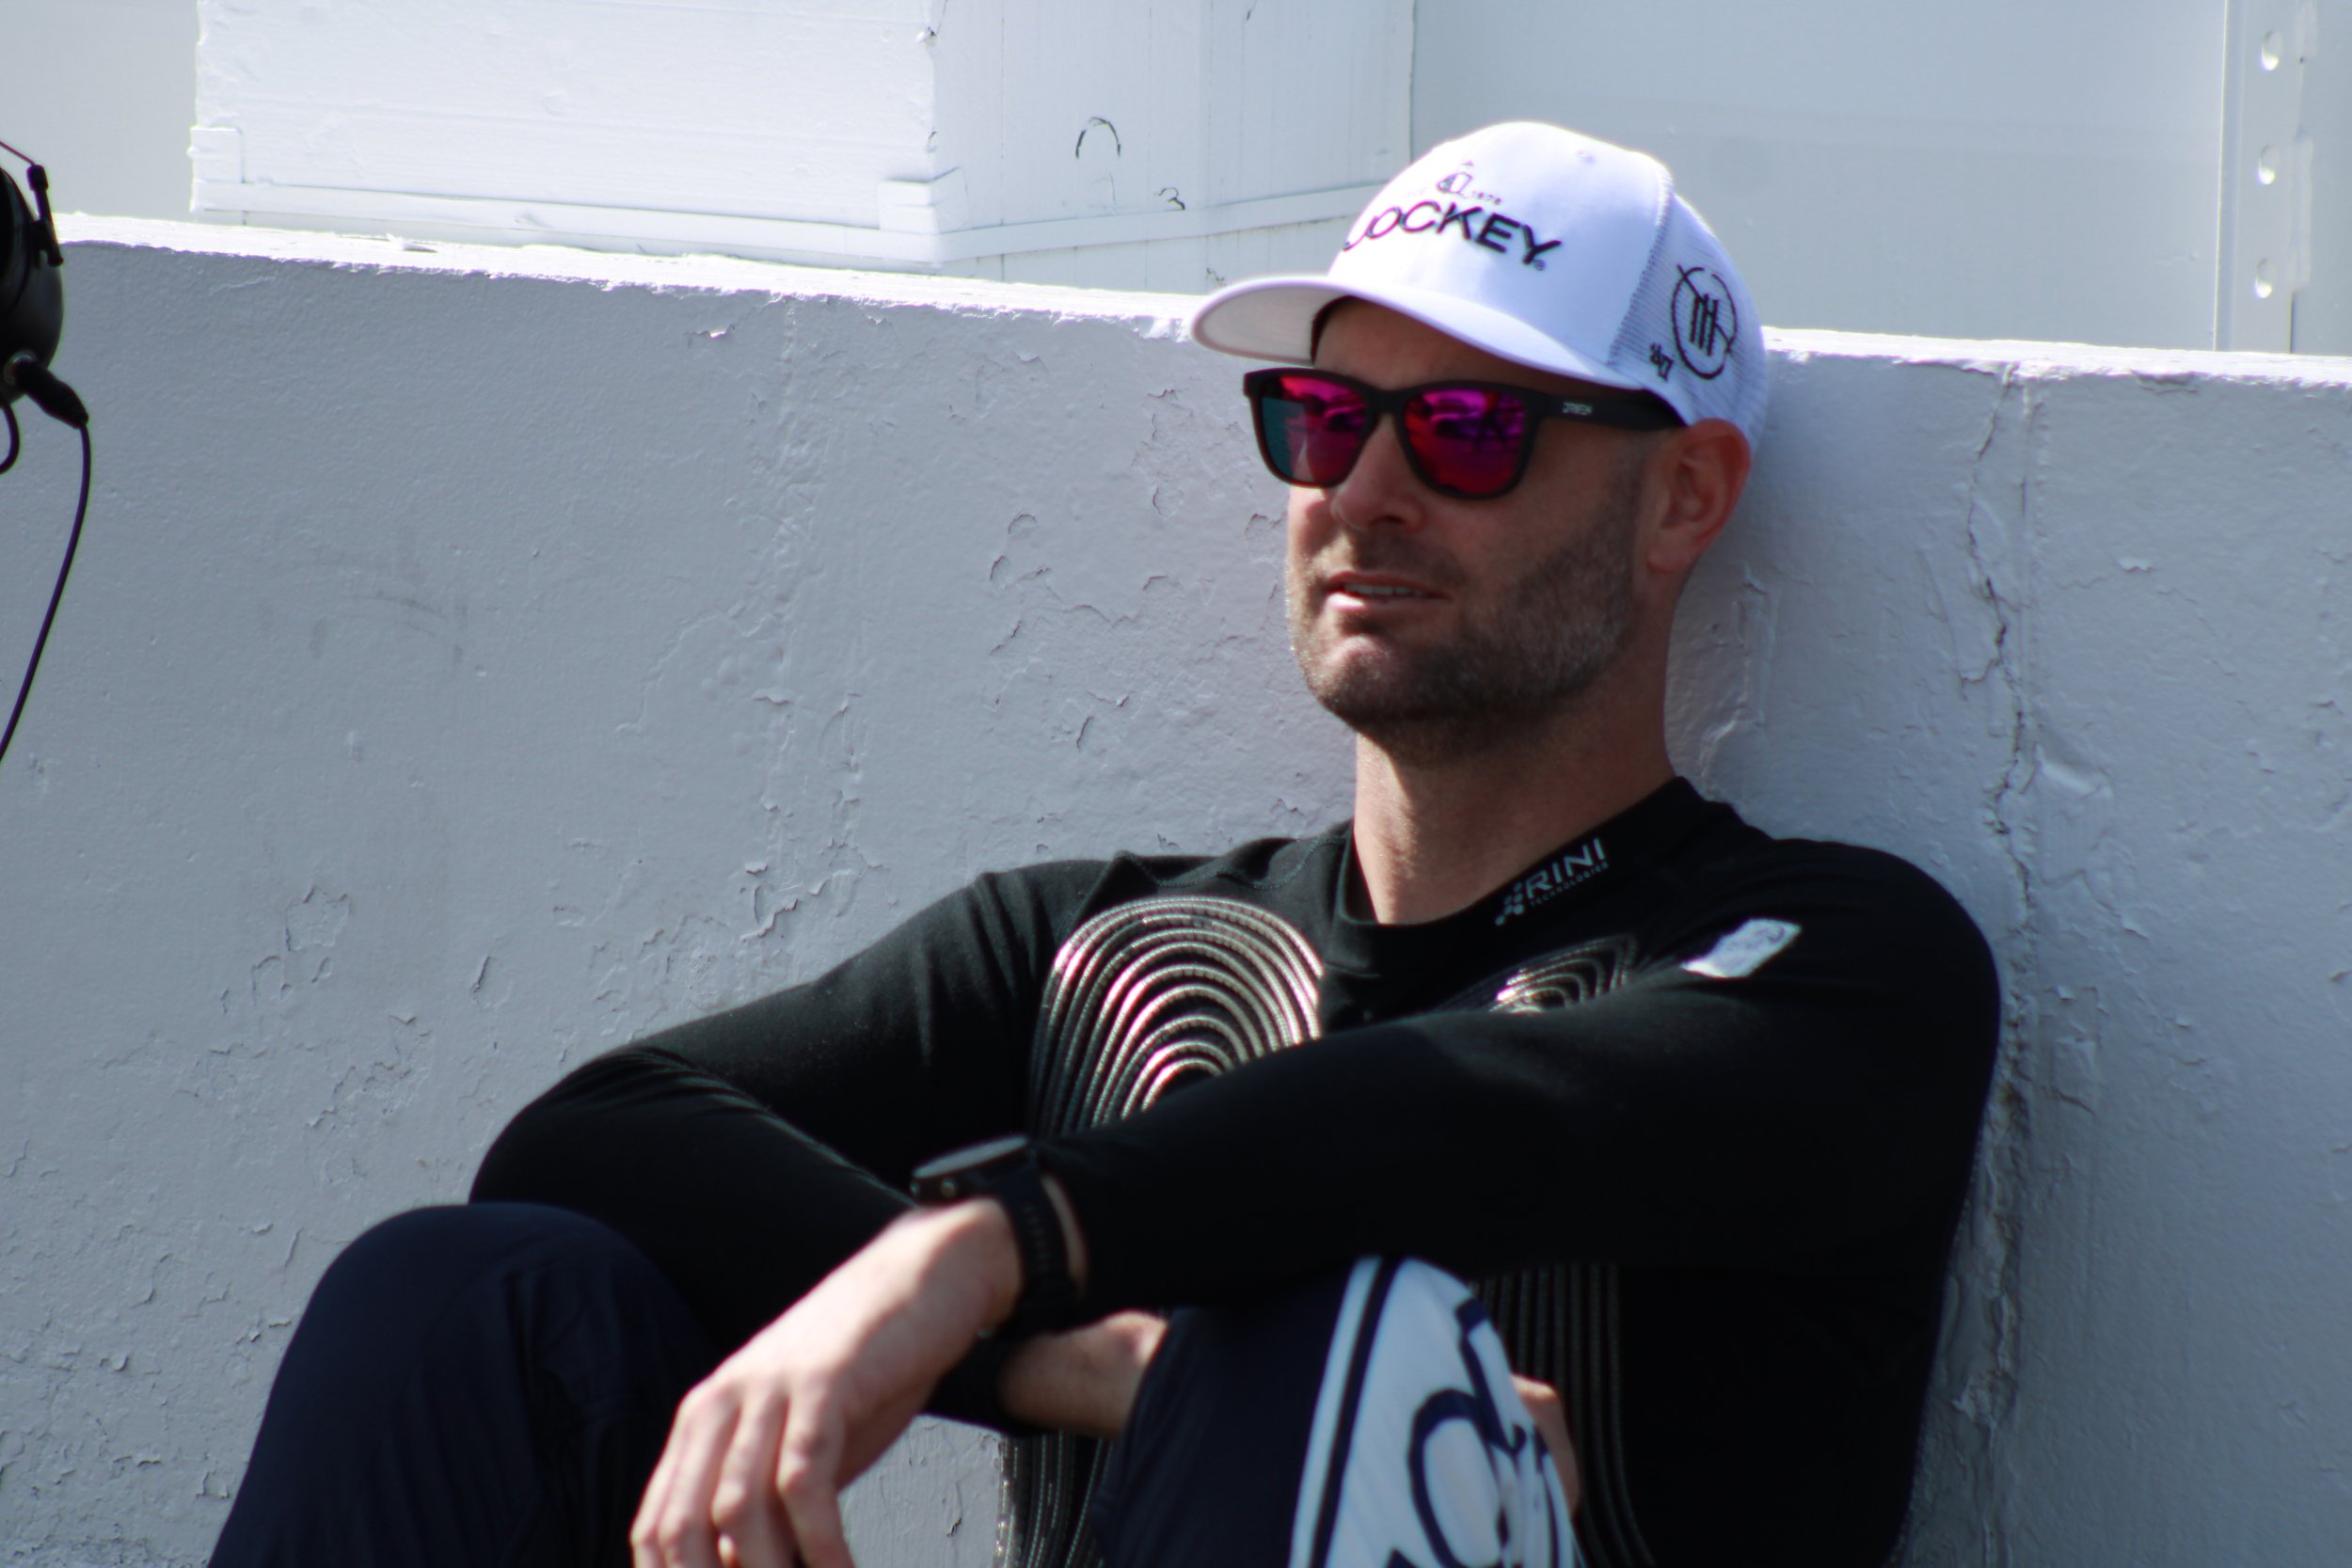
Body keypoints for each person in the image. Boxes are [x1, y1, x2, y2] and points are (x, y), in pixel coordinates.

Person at [208, 121, 1997, 1568]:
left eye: (1468, 432)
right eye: (1324, 418)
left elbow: (1473, 1114)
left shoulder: (1839, 966)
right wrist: (1074, 1358)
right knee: (471, 1294)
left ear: (1682, 495)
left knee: (1333, 1364)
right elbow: (587, 1133)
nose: (1363, 491)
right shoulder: (1113, 946)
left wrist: (977, 1243)